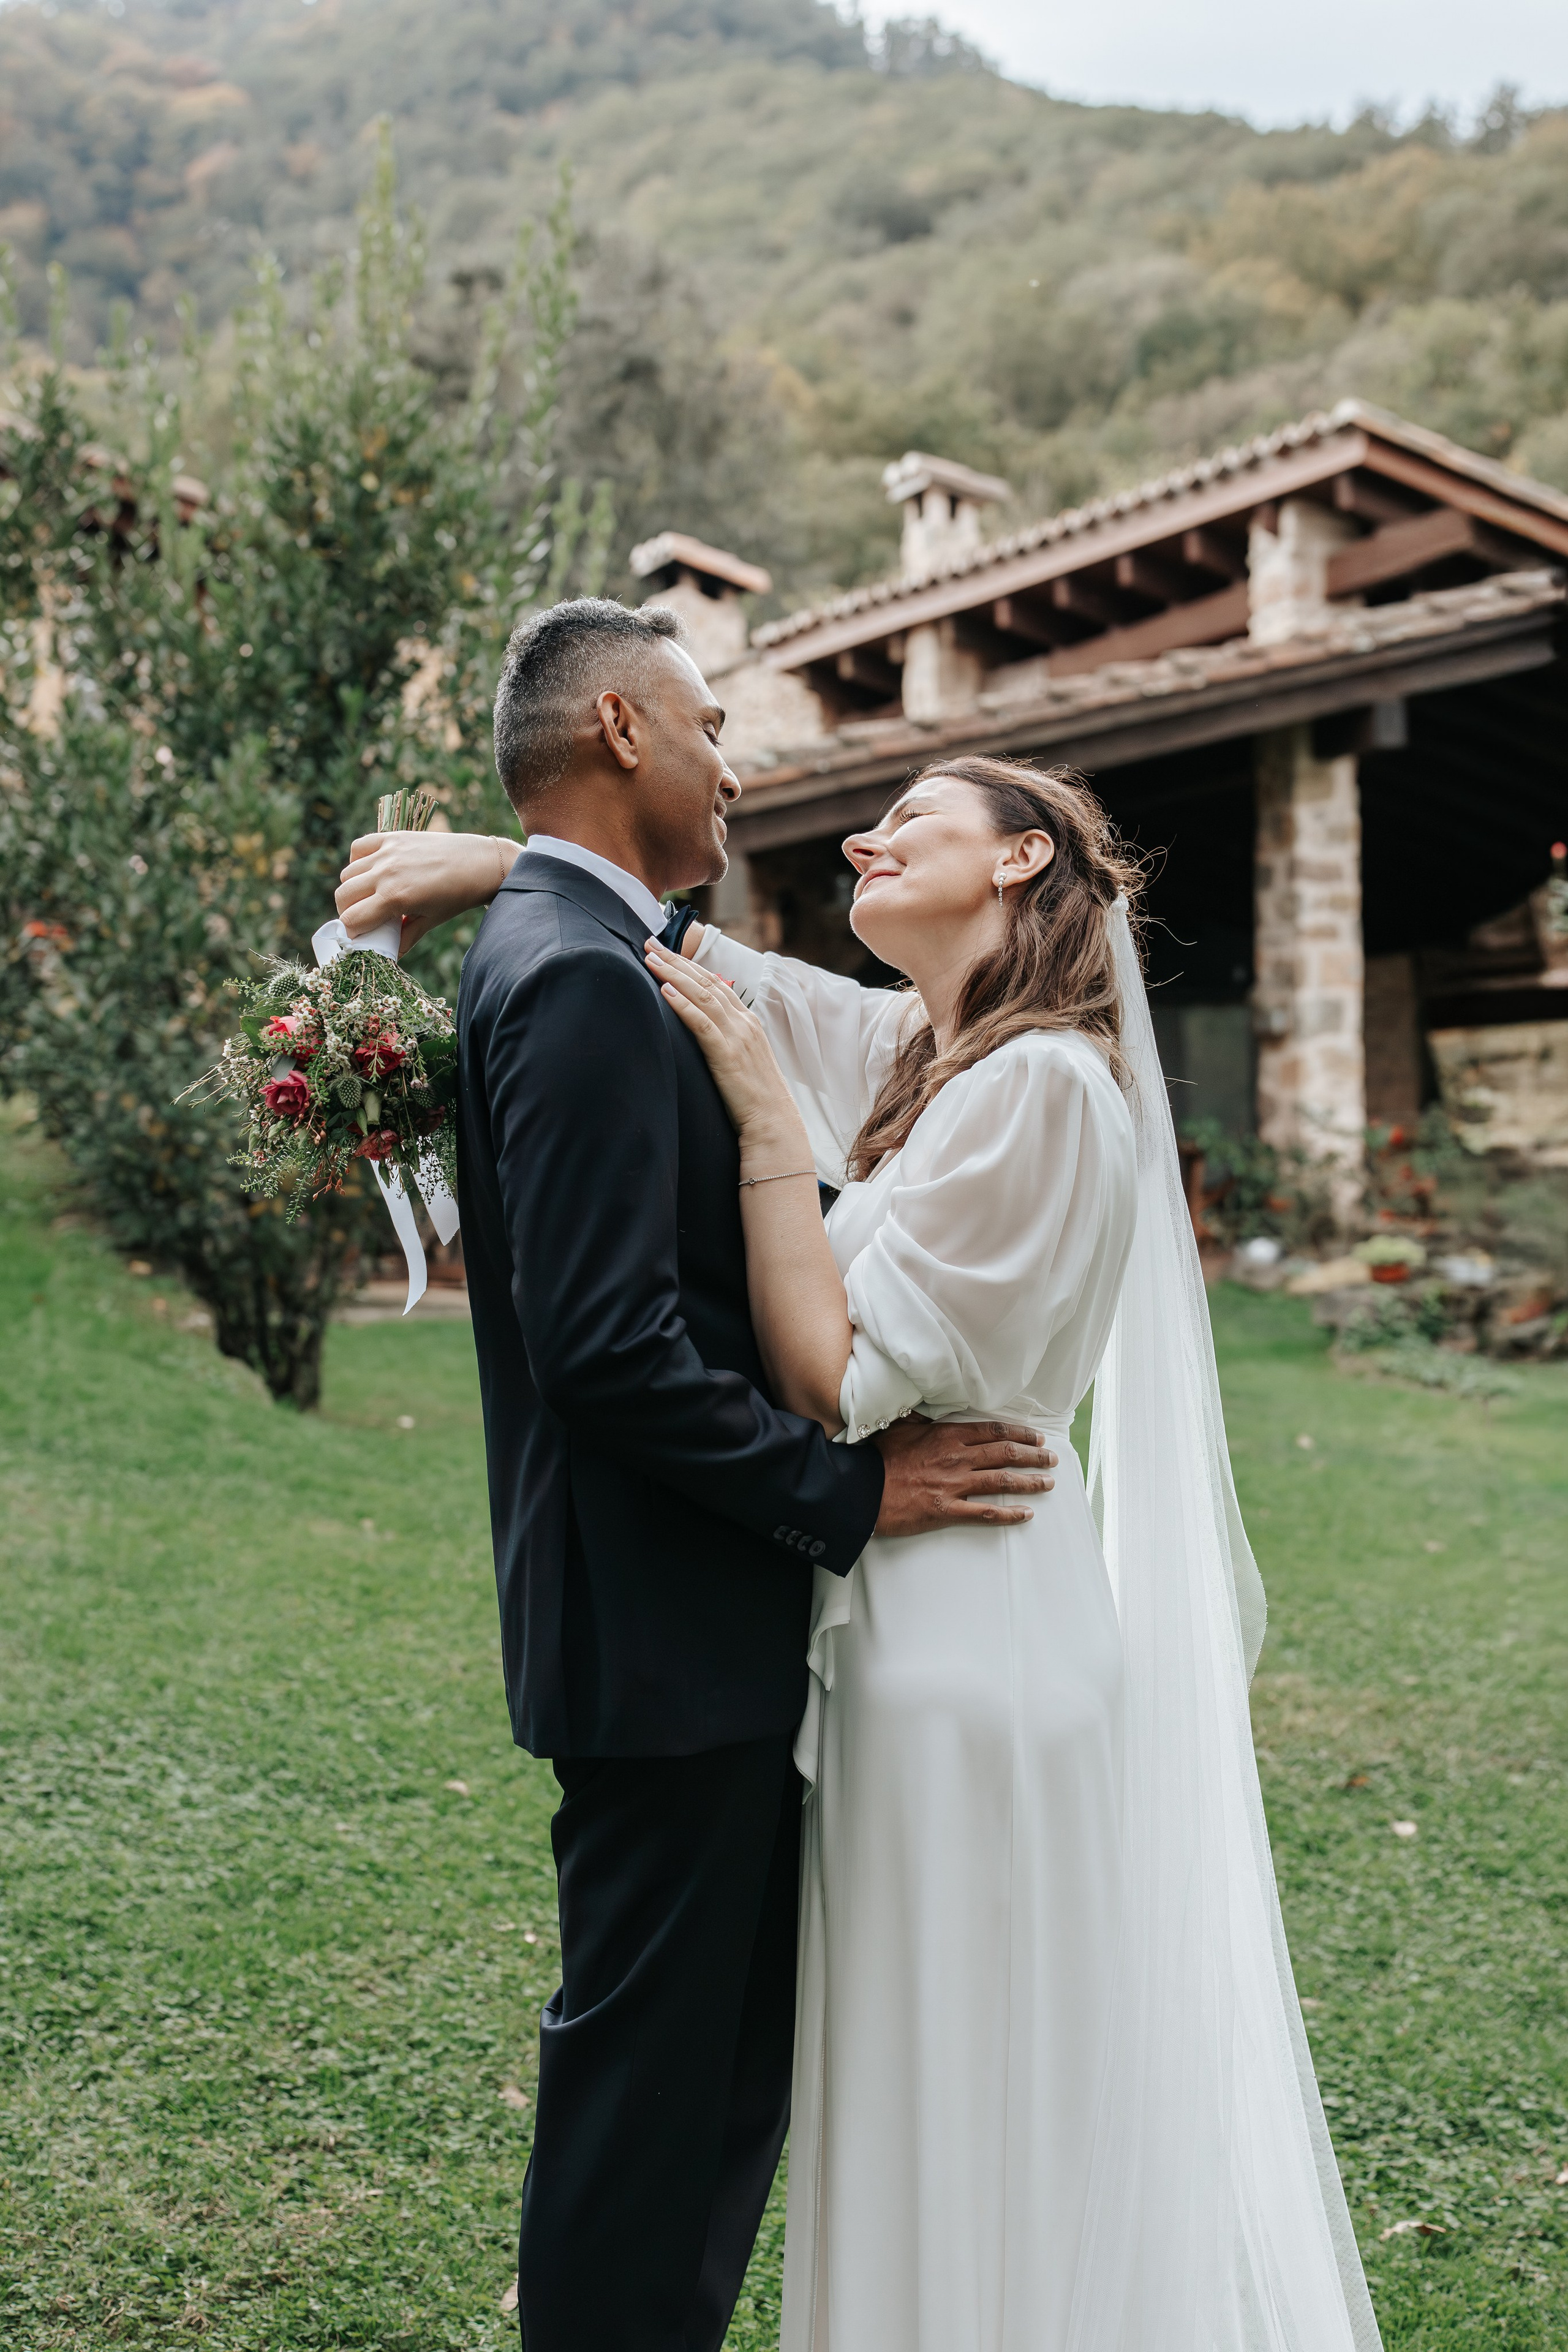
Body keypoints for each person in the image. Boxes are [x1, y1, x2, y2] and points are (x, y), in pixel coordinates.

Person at [345, 739, 1385, 2352]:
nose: (869, 839)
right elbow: (731, 969)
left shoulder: (1037, 1086)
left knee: (958, 2079)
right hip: (916, 1630)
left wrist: (766, 1123)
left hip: (971, 1640)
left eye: (919, 820)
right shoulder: (940, 1051)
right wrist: (505, 863)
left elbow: (831, 1370)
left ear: (1025, 860)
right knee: (920, 2071)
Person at [338, 600, 1057, 2352]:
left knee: (710, 2088)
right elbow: (609, 1352)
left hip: (679, 1627)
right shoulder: (576, 972)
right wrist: (848, 1498)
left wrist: (494, 851)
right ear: (626, 734)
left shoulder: (589, 942)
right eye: (714, 721)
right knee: (658, 2111)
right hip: (668, 1638)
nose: (742, 765)